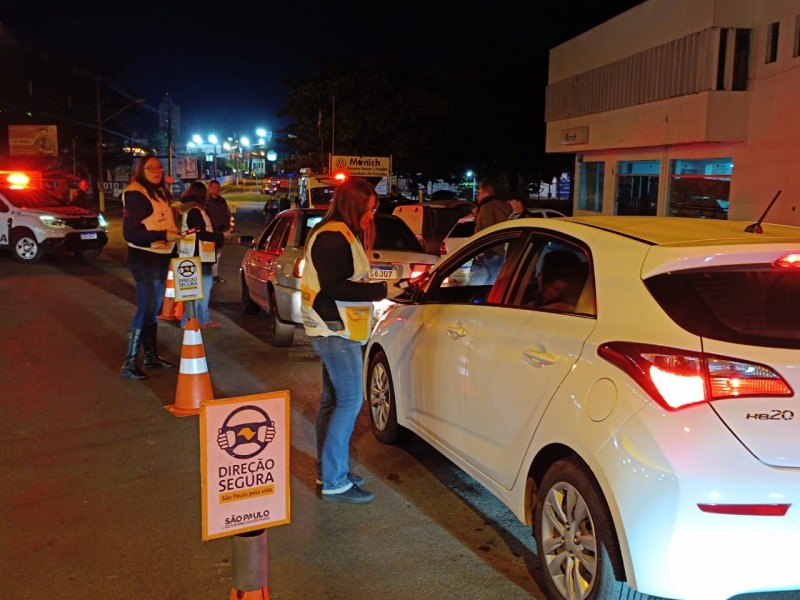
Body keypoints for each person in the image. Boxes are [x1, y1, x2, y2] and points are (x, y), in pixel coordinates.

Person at [301, 177, 389, 504]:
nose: (371, 215)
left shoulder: (339, 233)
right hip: (335, 331)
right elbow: (336, 287)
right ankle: (335, 481)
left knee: (333, 402)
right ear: (353, 206)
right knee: (351, 402)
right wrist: (383, 291)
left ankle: (329, 471)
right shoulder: (332, 237)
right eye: (368, 209)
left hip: (336, 328)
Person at [120, 155, 183, 380]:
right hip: (144, 259)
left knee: (154, 306)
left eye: (159, 167)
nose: (156, 171)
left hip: (160, 257)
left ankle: (151, 356)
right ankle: (129, 363)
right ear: (141, 170)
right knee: (146, 307)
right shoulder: (136, 194)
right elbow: (130, 233)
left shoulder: (158, 193)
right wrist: (164, 234)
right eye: (150, 168)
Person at [177, 181, 230, 329]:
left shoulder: (189, 210)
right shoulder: (195, 211)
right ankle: (190, 321)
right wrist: (221, 236)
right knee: (200, 289)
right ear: (201, 194)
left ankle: (200, 320)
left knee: (197, 290)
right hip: (198, 255)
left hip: (192, 254)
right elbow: (201, 234)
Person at [204, 180, 231, 283]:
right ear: (209, 188)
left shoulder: (222, 201)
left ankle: (215, 275)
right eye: (214, 187)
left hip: (221, 232)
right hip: (210, 232)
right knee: (209, 255)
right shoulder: (206, 201)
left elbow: (226, 214)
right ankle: (207, 276)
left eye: (218, 187)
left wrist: (227, 228)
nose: (216, 190)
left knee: (218, 255)